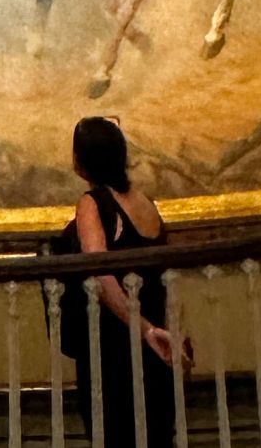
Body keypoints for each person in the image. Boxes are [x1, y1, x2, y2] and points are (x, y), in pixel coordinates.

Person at [59, 118, 182, 448]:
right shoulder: (146, 203)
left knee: (115, 436)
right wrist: (164, 329)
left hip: (114, 348)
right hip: (155, 344)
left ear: (81, 159)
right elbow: (166, 276)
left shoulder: (93, 203)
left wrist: (143, 330)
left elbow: (100, 275)